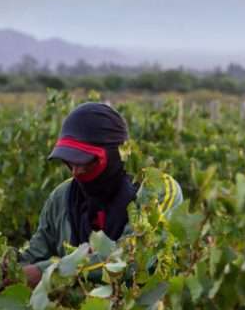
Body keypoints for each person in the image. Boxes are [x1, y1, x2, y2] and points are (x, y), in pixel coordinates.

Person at [18, 102, 182, 286]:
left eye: (85, 162)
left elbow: (133, 258)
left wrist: (47, 272)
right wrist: (8, 268)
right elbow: (35, 253)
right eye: (69, 161)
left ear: (115, 155)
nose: (76, 171)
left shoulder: (157, 189)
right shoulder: (62, 196)